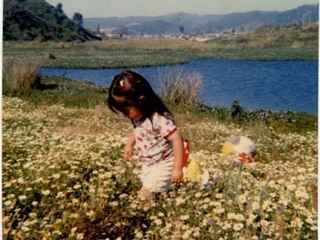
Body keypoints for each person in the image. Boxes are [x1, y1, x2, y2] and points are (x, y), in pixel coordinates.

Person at [107, 70, 184, 200]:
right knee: (151, 188)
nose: (125, 116)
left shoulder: (158, 119)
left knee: (144, 195)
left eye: (126, 111)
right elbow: (137, 131)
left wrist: (177, 168)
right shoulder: (138, 117)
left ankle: (142, 212)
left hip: (164, 164)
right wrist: (129, 144)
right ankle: (163, 196)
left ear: (141, 100)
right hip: (149, 164)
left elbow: (177, 140)